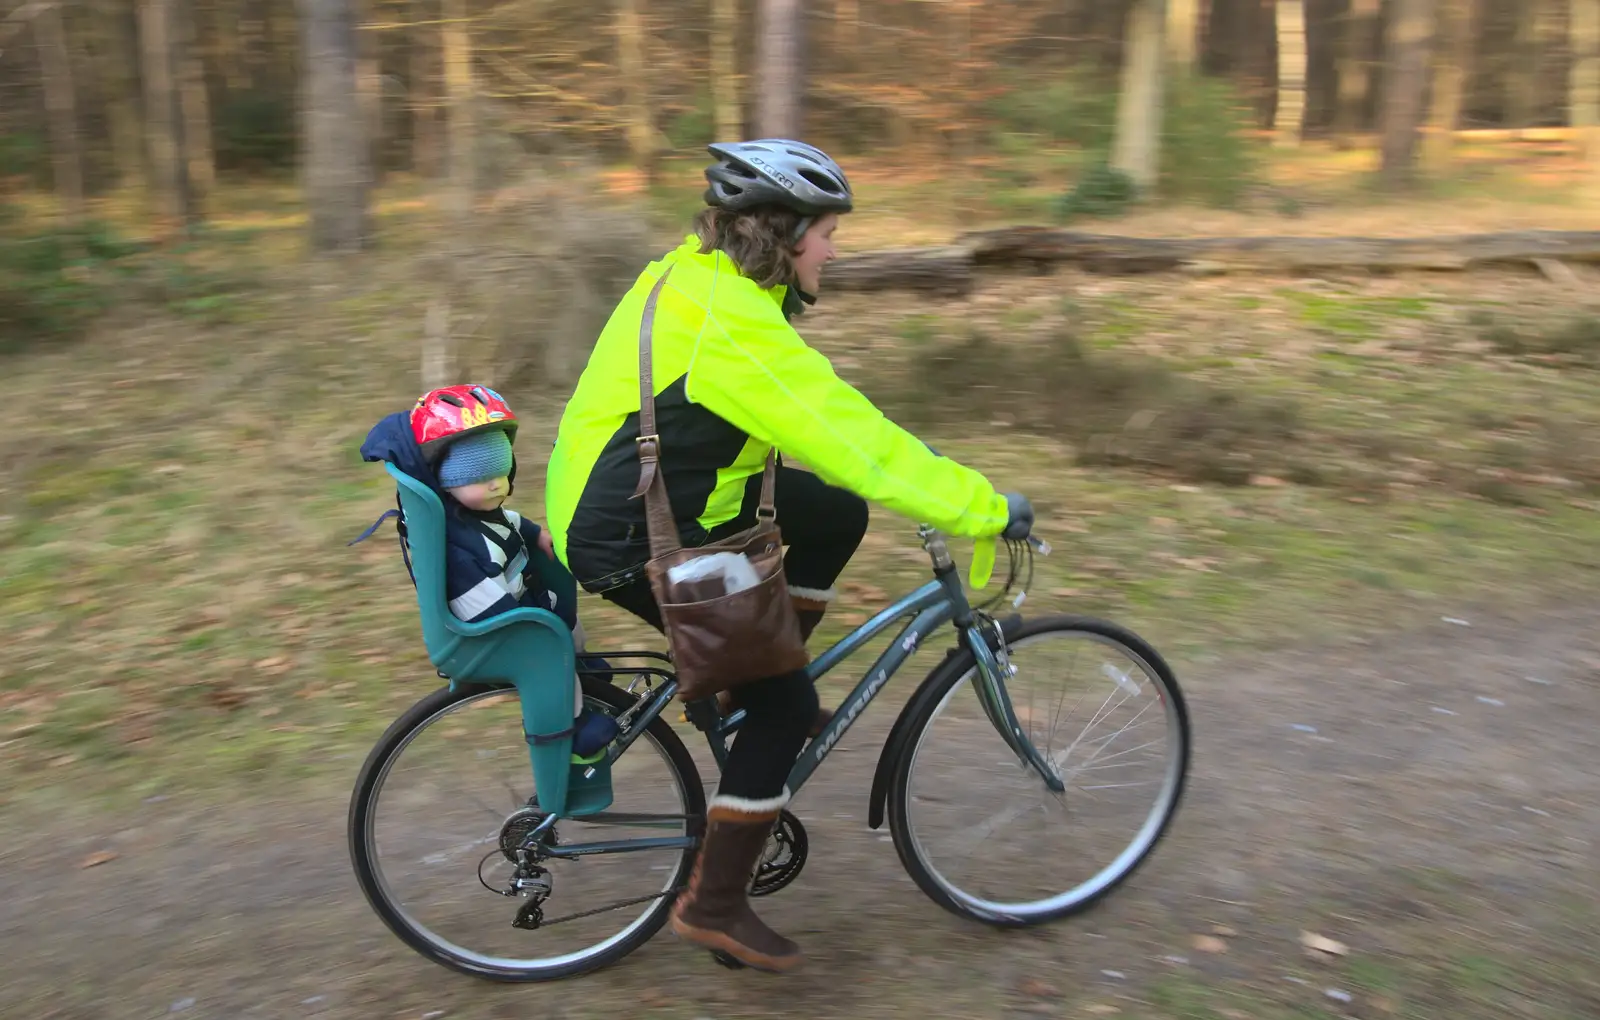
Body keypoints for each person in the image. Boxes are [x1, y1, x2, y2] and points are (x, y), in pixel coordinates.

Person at [543, 139, 1033, 972]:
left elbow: (835, 464)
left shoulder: (697, 276)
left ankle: (751, 681)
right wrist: (981, 507)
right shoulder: (735, 333)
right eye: (827, 233)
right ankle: (716, 902)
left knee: (834, 514)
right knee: (782, 706)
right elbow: (857, 441)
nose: (835, 251)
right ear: (783, 231)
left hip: (632, 496)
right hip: (633, 533)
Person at [358, 384, 618, 760]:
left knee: (571, 634)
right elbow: (481, 603)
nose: (496, 483)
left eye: (501, 471)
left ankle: (581, 666)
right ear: (446, 480)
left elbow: (512, 523)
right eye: (478, 476)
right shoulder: (460, 552)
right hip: (500, 632)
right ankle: (573, 727)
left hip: (526, 607)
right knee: (554, 659)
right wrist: (525, 626)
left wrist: (536, 533)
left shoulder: (479, 516)